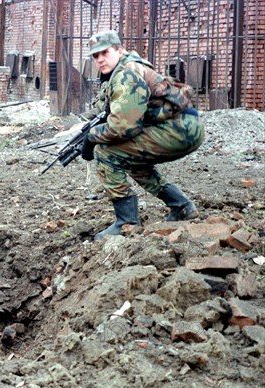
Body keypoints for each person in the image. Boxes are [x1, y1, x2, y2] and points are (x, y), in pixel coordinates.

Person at [81, 30, 204, 240]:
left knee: (107, 152)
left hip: (179, 130)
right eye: (95, 56)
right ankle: (182, 206)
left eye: (105, 52)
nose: (100, 59)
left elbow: (124, 128)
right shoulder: (124, 68)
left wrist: (92, 136)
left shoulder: (125, 74)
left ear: (119, 50)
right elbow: (113, 110)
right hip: (183, 126)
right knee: (129, 159)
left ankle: (126, 222)